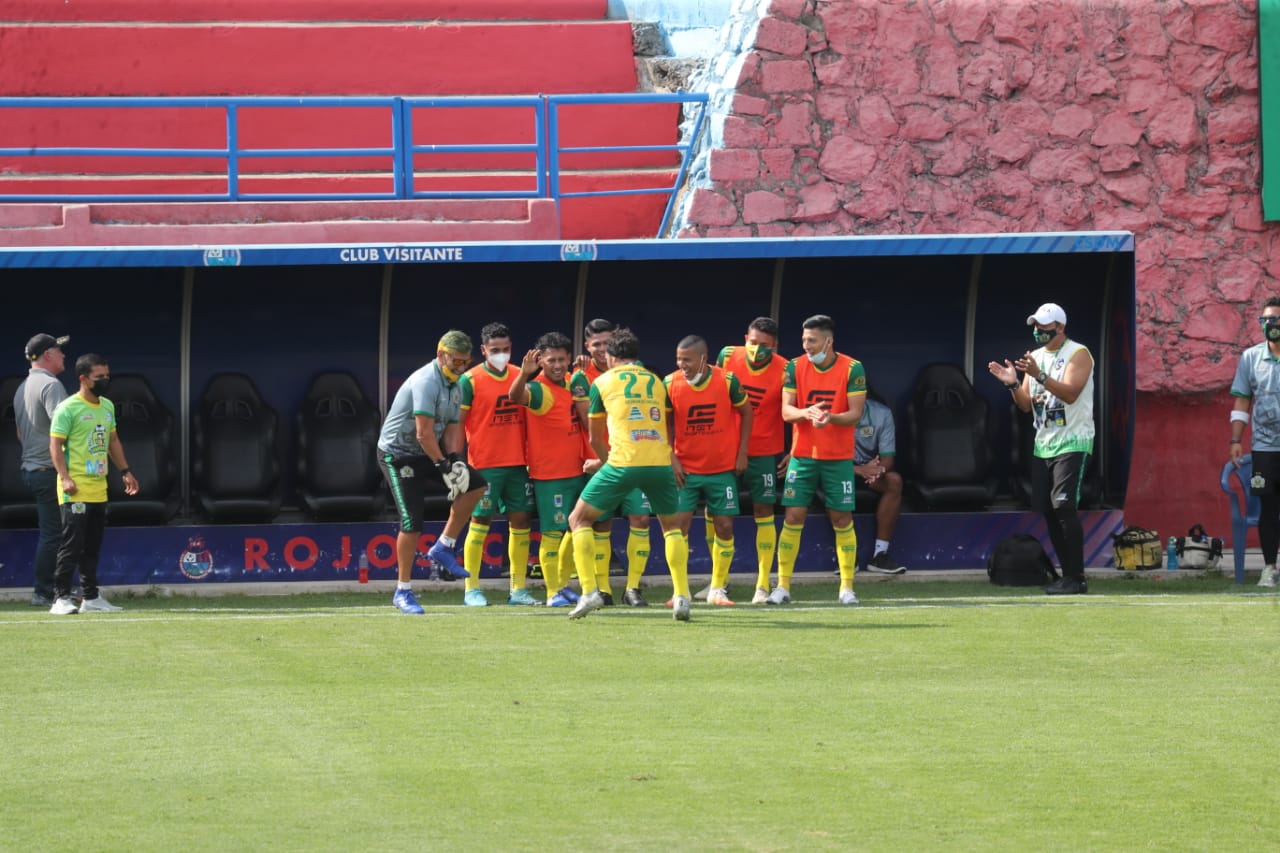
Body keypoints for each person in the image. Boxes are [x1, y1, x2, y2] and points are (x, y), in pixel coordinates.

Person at [565, 328, 693, 621]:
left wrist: (603, 462)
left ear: (611, 357)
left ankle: (589, 592)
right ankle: (682, 596)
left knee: (579, 519)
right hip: (660, 462)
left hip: (622, 463)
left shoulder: (601, 382)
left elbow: (596, 437)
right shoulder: (657, 381)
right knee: (671, 528)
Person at [987, 302, 1095, 595]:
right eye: (1035, 326)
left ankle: (1077, 577)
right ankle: (1066, 575)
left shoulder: (1078, 353)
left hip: (1073, 440)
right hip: (1043, 444)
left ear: (1060, 327)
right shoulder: (1033, 358)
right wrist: (1012, 385)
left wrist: (1039, 376)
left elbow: (1071, 394)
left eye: (1044, 327)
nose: (1038, 331)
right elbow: (1025, 405)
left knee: (1063, 506)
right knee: (1048, 510)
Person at [376, 330, 486, 615]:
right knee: (412, 522)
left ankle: (444, 546)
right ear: (441, 355)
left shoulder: (457, 384)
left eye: (465, 362)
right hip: (398, 454)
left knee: (476, 485)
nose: (461, 367)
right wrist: (443, 467)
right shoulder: (426, 381)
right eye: (456, 361)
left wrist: (455, 461)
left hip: (428, 452)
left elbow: (451, 429)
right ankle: (403, 590)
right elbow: (423, 433)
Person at [773, 314, 866, 606]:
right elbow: (787, 412)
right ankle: (783, 587)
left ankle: (847, 588)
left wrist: (831, 418)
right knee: (792, 517)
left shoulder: (853, 368)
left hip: (838, 459)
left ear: (828, 340)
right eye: (803, 340)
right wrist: (807, 413)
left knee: (842, 518)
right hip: (802, 457)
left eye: (811, 340)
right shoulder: (794, 366)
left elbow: (855, 413)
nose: (806, 346)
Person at [47, 352, 139, 614]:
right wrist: (65, 478)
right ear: (83, 379)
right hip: (74, 490)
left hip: (99, 489)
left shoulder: (107, 406)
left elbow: (113, 441)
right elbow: (55, 446)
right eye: (99, 377)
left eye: (107, 376)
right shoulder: (68, 408)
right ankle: (60, 598)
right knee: (71, 545)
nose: (105, 381)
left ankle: (91, 597)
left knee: (92, 546)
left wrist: (126, 471)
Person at [569, 318, 653, 606]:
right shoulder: (581, 377)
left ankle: (633, 588)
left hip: (635, 456)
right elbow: (589, 422)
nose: (603, 350)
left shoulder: (638, 372)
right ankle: (602, 590)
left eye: (607, 344)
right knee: (600, 524)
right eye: (597, 345)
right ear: (587, 346)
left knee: (640, 518)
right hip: (603, 460)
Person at [666, 335, 752, 606]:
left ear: (703, 359)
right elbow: (664, 423)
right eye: (679, 359)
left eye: (687, 359)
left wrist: (741, 452)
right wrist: (671, 457)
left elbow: (747, 412)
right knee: (677, 526)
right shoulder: (669, 383)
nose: (682, 364)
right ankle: (679, 591)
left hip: (722, 469)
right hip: (685, 470)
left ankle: (717, 589)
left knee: (724, 526)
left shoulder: (727, 381)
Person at [458, 322, 535, 606]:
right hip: (484, 464)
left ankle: (518, 590)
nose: (501, 354)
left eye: (505, 349)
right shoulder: (470, 380)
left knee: (521, 520)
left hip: (519, 463)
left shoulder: (522, 375)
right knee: (480, 521)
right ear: (483, 351)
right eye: (495, 350)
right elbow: (457, 425)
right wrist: (458, 462)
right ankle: (471, 589)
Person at [508, 332, 587, 606]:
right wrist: (523, 375)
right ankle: (553, 592)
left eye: (562, 359)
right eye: (551, 360)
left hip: (579, 471)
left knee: (574, 531)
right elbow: (516, 396)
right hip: (551, 476)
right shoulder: (538, 389)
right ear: (540, 361)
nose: (557, 365)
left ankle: (563, 586)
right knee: (553, 534)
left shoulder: (572, 383)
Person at [717, 316, 789, 603]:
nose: (757, 350)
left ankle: (762, 584)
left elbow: (795, 407)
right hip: (725, 449)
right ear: (744, 337)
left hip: (764, 451)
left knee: (764, 512)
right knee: (720, 514)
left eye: (765, 346)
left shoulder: (786, 369)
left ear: (776, 346)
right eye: (753, 342)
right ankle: (719, 582)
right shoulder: (727, 356)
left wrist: (794, 447)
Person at [13, 333, 70, 607]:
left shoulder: (21, 387)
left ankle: (51, 590)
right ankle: (45, 592)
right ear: (47, 354)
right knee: (56, 534)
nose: (64, 355)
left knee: (53, 532)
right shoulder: (51, 385)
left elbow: (20, 434)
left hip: (33, 469)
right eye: (59, 351)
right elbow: (63, 431)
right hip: (50, 471)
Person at [1229, 295, 1280, 587]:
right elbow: (1241, 402)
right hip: (1263, 451)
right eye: (1265, 320)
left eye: (1274, 319)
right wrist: (1235, 439)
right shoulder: (1250, 358)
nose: (1269, 325)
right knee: (1268, 511)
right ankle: (1270, 568)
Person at [854, 395, 907, 575]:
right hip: (840, 469)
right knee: (833, 480)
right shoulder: (829, 412)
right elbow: (825, 459)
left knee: (894, 481)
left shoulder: (881, 413)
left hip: (871, 470)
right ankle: (846, 554)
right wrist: (858, 470)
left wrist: (875, 471)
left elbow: (887, 458)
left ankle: (880, 555)